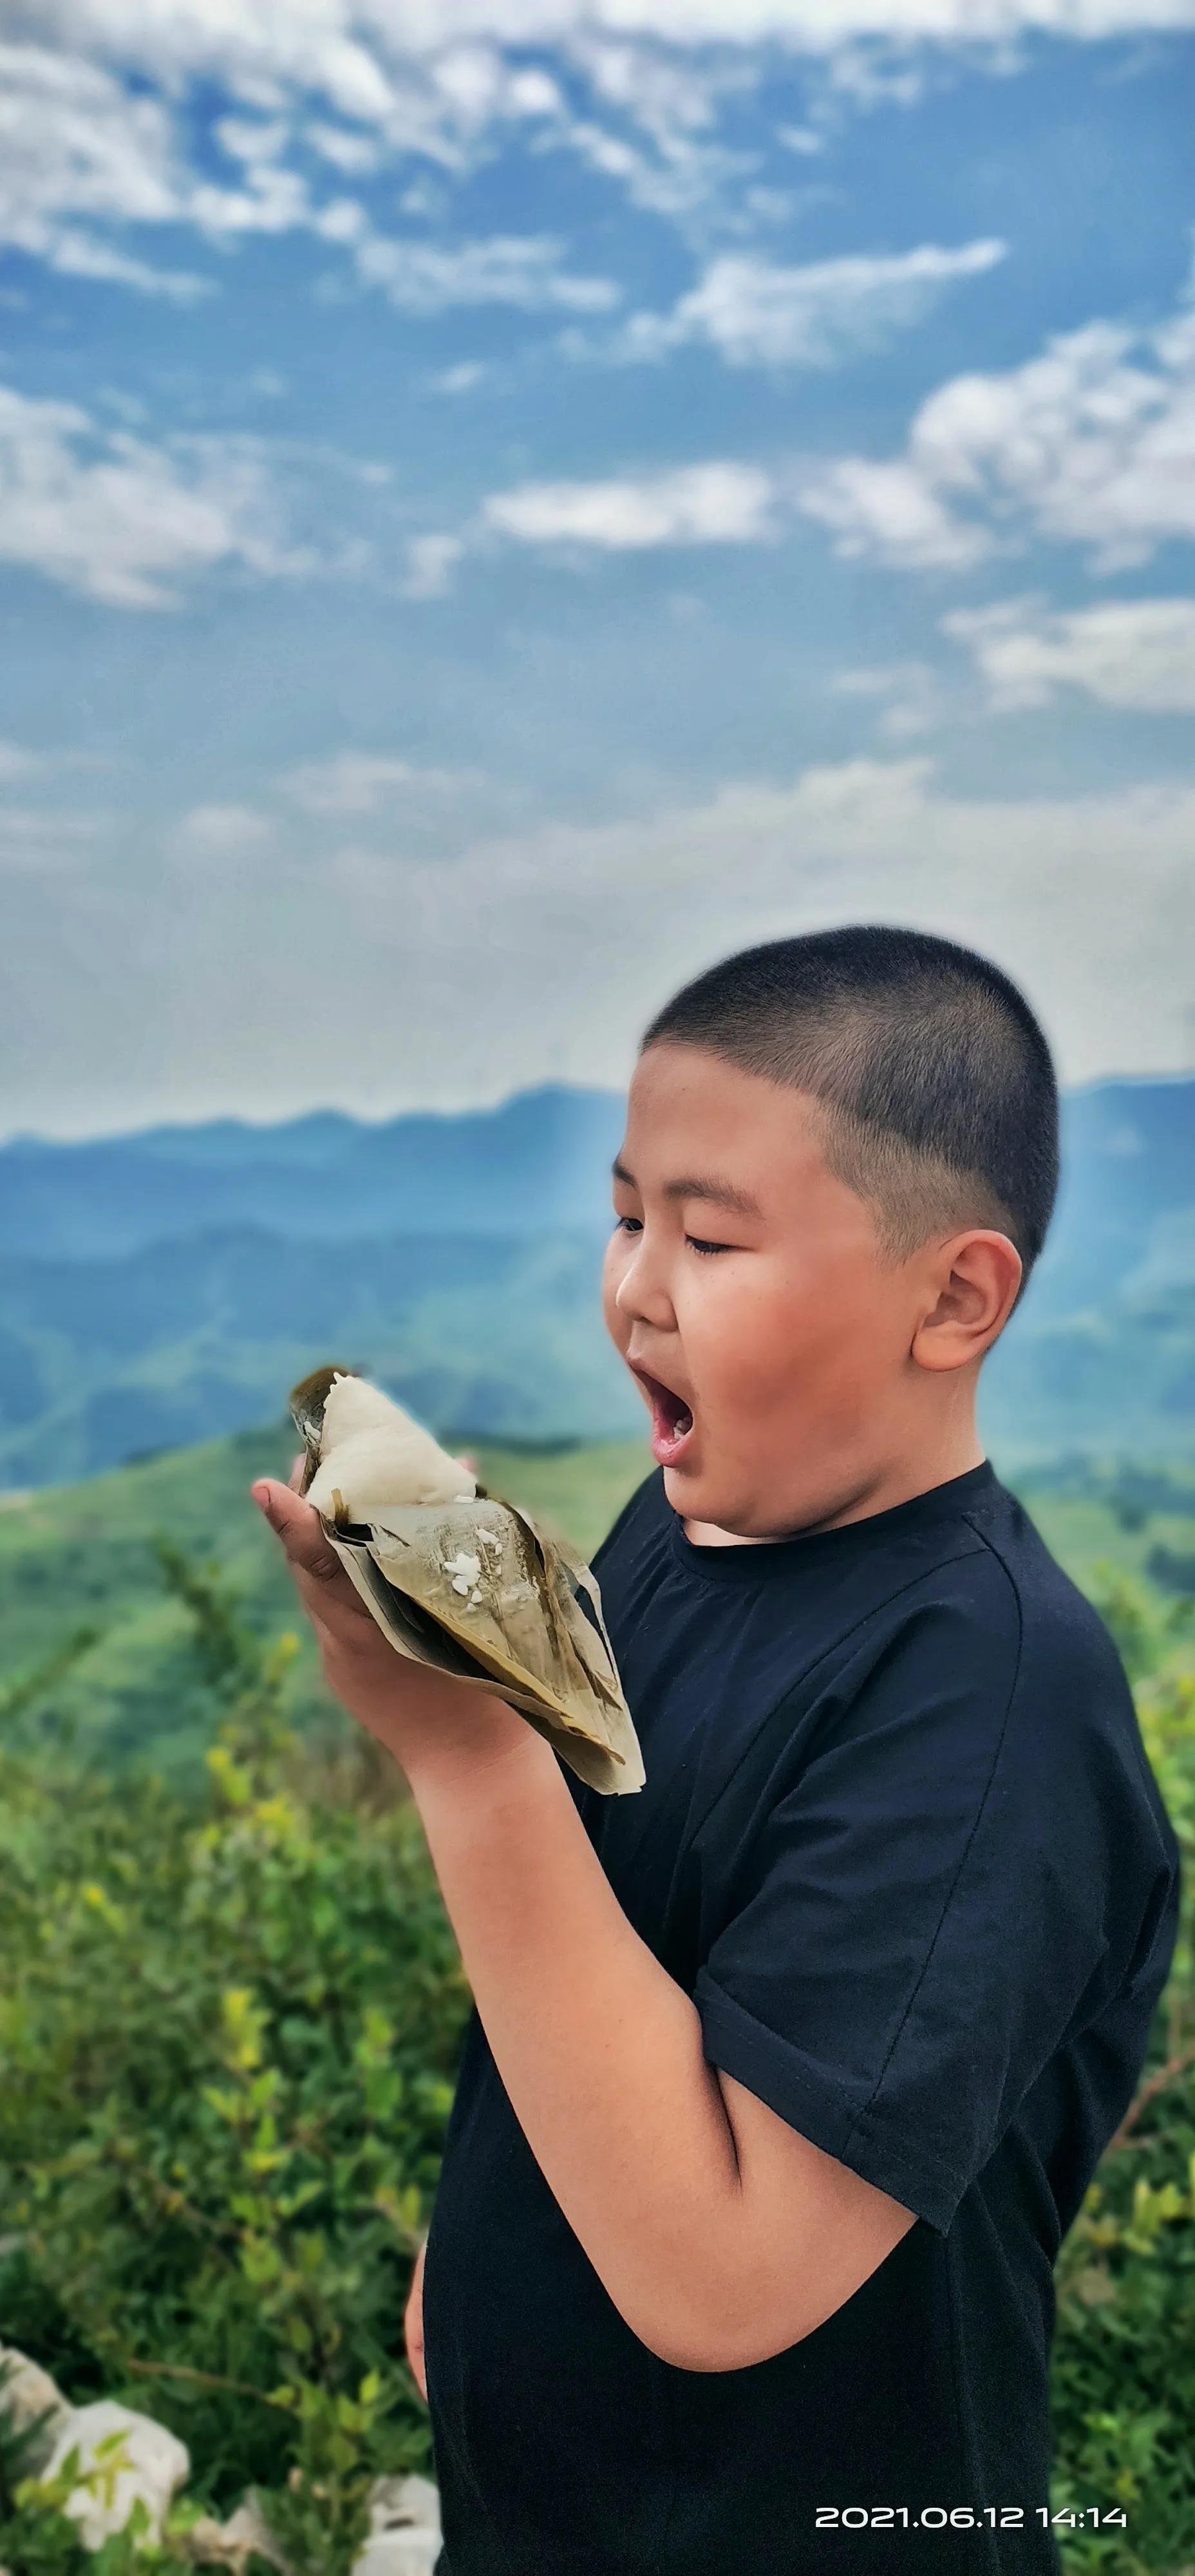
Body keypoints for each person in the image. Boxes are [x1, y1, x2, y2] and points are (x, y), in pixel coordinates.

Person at [252, 923, 1181, 2575]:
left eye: (712, 1238)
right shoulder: (686, 1532)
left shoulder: (985, 1700)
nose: (634, 1288)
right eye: (624, 1215)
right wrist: (475, 2233)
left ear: (953, 1294)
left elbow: (725, 2275)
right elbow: (611, 1918)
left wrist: (461, 1756)